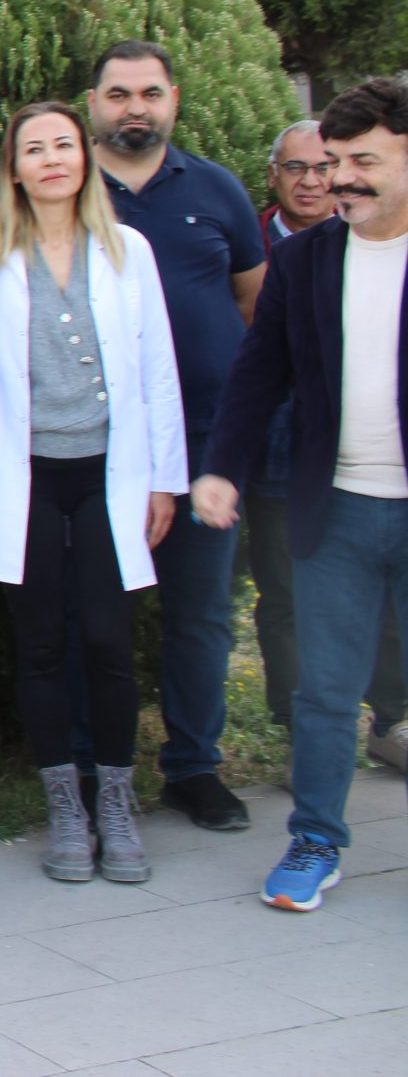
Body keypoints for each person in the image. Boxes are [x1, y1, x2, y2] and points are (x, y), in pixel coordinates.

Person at [0, 102, 182, 886]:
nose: (51, 159)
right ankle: (66, 809)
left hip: (111, 474)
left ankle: (114, 799)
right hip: (27, 478)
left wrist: (164, 477)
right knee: (41, 644)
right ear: (13, 168)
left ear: (86, 158)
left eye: (64, 145)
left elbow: (157, 366)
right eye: (34, 148)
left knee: (109, 643)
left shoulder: (127, 250)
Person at [196, 77, 408, 913]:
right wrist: (223, 465)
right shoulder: (306, 258)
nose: (340, 178)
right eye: (333, 161)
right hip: (339, 509)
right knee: (325, 689)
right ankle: (316, 839)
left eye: (363, 161)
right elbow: (258, 374)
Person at [87, 41, 266, 834]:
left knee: (200, 613)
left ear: (174, 99)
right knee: (99, 614)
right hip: (99, 447)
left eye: (150, 93)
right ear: (94, 103)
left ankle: (194, 766)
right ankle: (98, 768)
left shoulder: (217, 189)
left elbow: (254, 303)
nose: (136, 107)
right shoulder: (66, 188)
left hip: (203, 445)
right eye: (120, 93)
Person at [248, 118, 405, 759]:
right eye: (297, 168)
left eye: (326, 166)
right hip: (278, 451)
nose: (315, 181)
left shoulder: (379, 239)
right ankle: (300, 732)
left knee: (382, 588)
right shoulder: (258, 244)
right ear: (274, 176)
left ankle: (392, 717)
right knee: (286, 592)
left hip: (362, 455)